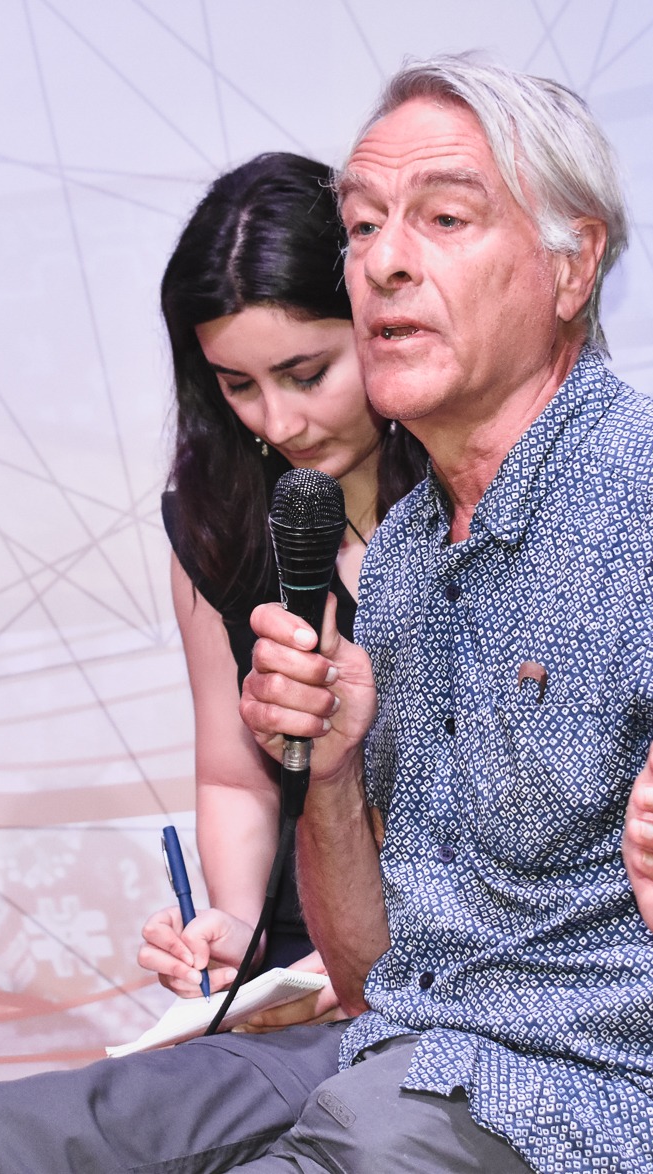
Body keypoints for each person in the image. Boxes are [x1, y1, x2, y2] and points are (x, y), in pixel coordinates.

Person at [0, 58, 653, 1174]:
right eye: (362, 226)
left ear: (571, 266)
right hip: (407, 1051)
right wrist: (332, 772)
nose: (384, 262)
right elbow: (368, 977)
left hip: (627, 1103)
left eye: (444, 218)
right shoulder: (403, 555)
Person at [138, 153, 425, 1022]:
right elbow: (236, 779)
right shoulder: (216, 520)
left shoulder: (476, 501)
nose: (279, 420)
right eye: (239, 386)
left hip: (467, 959)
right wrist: (237, 929)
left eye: (307, 374)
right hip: (310, 964)